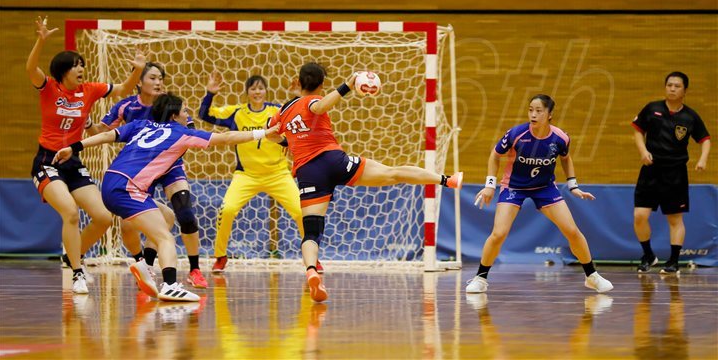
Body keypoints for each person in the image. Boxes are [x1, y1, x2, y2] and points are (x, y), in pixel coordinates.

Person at [53, 93, 280, 301]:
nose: (187, 115)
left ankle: (145, 265)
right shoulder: (182, 133)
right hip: (128, 188)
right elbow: (227, 137)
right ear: (173, 115)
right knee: (165, 238)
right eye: (184, 111)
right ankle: (170, 285)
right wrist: (263, 133)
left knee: (168, 216)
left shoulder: (140, 125)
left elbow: (105, 135)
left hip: (110, 181)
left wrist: (74, 147)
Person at [268, 62, 463, 302]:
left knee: (311, 232)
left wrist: (288, 142)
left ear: (298, 82)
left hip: (308, 172)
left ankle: (311, 271)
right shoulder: (313, 100)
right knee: (393, 173)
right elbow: (319, 107)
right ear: (322, 84)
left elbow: (271, 133)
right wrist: (347, 85)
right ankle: (447, 180)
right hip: (333, 160)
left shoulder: (284, 109)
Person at [27, 15, 146, 294]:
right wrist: (41, 41)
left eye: (82, 64)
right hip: (47, 161)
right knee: (70, 212)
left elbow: (123, 90)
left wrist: (137, 70)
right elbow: (31, 68)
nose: (81, 68)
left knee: (103, 217)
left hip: (72, 161)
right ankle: (77, 272)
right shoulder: (49, 88)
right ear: (63, 71)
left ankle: (72, 255)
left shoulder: (89, 90)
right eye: (75, 65)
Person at [467, 94, 613, 294]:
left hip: (544, 188)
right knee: (499, 233)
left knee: (572, 231)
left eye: (539, 111)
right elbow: (495, 155)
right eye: (530, 110)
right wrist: (490, 185)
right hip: (514, 187)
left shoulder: (560, 138)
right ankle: (480, 278)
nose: (533, 114)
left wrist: (573, 185)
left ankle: (591, 276)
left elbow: (566, 158)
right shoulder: (516, 134)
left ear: (549, 114)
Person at [92, 62, 208, 288]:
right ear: (139, 81)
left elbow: (190, 133)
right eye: (153, 78)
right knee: (129, 226)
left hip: (170, 165)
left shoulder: (171, 104)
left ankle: (194, 269)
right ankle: (144, 265)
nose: (158, 83)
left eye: (161, 78)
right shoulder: (126, 107)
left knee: (185, 213)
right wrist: (85, 123)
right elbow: (101, 132)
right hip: (140, 169)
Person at [198, 72, 304, 272]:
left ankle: (312, 259)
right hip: (246, 175)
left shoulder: (276, 110)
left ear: (266, 91)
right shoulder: (237, 112)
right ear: (247, 92)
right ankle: (220, 256)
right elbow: (204, 115)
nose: (257, 92)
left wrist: (299, 96)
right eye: (253, 88)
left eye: (260, 88)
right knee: (227, 210)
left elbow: (300, 113)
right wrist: (210, 93)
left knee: (301, 212)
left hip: (278, 174)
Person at [631, 72, 710, 274]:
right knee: (640, 215)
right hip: (650, 171)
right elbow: (638, 130)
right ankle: (648, 255)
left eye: (677, 86)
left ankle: (673, 262)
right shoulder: (652, 108)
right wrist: (643, 151)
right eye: (669, 85)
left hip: (675, 174)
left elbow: (705, 139)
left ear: (685, 90)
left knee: (675, 219)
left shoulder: (690, 116)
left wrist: (702, 159)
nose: (672, 89)